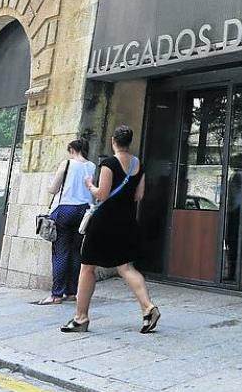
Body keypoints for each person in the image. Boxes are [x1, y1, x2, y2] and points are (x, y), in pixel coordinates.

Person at [60, 125, 159, 334]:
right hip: (127, 221)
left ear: (114, 140)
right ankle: (148, 308)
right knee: (126, 267)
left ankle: (80, 318)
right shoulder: (138, 164)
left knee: (87, 267)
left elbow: (101, 194)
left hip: (104, 222)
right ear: (128, 141)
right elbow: (138, 195)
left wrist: (89, 185)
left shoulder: (109, 163)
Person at [34, 137, 96, 305]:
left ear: (71, 149)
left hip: (65, 209)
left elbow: (53, 188)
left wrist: (49, 184)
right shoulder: (91, 166)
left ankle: (56, 294)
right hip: (84, 211)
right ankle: (71, 291)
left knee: (60, 251)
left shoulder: (67, 164)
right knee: (76, 251)